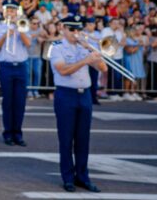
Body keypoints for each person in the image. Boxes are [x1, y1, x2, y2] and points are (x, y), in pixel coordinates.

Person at [50, 14, 106, 193]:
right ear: (63, 29)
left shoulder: (86, 47)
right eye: (72, 29)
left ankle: (83, 176)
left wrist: (94, 52)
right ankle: (68, 178)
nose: (76, 33)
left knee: (83, 139)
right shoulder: (56, 47)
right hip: (66, 94)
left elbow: (103, 68)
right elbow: (63, 70)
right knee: (66, 139)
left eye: (78, 30)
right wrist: (85, 60)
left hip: (85, 96)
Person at [0, 0, 32, 146]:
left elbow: (28, 44)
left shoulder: (24, 26)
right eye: (8, 10)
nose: (11, 13)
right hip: (6, 66)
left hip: (21, 66)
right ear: (4, 12)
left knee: (20, 102)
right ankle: (8, 133)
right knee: (8, 101)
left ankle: (18, 134)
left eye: (13, 10)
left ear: (17, 12)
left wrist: (19, 30)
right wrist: (5, 35)